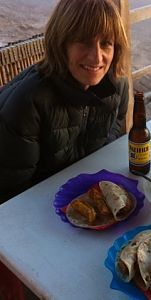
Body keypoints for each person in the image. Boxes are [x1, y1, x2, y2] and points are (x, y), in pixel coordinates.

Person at [0, 0, 129, 203]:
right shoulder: (27, 103)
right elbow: (13, 193)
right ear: (61, 44)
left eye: (106, 43)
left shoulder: (117, 86)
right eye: (84, 42)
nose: (97, 58)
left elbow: (112, 138)